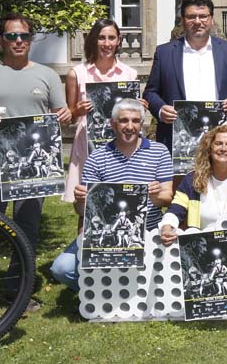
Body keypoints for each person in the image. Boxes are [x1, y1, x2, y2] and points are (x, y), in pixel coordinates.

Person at [0, 13, 71, 321]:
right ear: (0, 40)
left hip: (33, 172)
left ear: (31, 39)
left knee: (26, 232)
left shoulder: (47, 76)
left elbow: (61, 113)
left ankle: (17, 292)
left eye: (24, 36)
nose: (18, 41)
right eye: (11, 36)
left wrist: (65, 115)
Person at [50, 99, 174, 291]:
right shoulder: (97, 158)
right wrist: (81, 200)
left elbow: (167, 197)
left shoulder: (159, 152)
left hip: (149, 230)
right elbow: (81, 211)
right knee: (61, 268)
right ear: (113, 124)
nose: (130, 126)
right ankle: (98, 292)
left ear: (142, 124)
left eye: (135, 121)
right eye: (124, 120)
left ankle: (123, 289)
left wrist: (154, 196)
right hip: (106, 232)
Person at [143, 0, 227, 148]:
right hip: (179, 140)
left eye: (203, 16)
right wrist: (161, 110)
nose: (197, 21)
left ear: (211, 19)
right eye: (191, 17)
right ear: (183, 20)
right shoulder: (164, 53)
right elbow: (150, 93)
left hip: (220, 141)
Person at [63, 18, 143, 203]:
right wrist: (76, 111)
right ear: (93, 40)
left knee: (121, 197)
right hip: (88, 144)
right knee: (85, 201)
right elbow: (69, 118)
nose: (107, 44)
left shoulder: (130, 74)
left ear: (119, 40)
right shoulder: (77, 74)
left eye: (111, 38)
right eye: (101, 38)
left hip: (121, 145)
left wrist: (140, 107)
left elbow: (132, 114)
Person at [159, 125, 227, 241]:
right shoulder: (191, 179)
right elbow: (175, 209)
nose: (223, 148)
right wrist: (166, 226)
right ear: (209, 148)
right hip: (202, 243)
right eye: (218, 143)